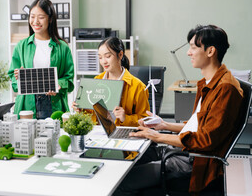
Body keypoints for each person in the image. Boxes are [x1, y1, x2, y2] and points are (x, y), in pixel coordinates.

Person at [114, 25, 244, 195]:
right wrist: (163, 125)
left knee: (120, 181)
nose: (189, 52)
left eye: (193, 47)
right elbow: (197, 127)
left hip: (195, 165)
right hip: (186, 154)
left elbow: (204, 140)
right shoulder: (210, 82)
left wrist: (157, 136)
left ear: (210, 51)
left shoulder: (225, 88)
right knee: (125, 159)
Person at [8, 0, 74, 119]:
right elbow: (13, 77)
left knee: (56, 136)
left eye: (41, 17)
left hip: (54, 104)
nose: (35, 21)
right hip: (27, 105)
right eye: (32, 17)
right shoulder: (21, 46)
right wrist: (18, 78)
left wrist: (58, 84)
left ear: (50, 19)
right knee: (25, 135)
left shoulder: (62, 47)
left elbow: (69, 80)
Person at [73, 37, 150, 126]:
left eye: (108, 56)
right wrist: (81, 110)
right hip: (98, 133)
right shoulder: (96, 81)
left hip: (124, 134)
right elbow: (92, 117)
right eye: (100, 57)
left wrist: (125, 118)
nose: (103, 62)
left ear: (120, 55)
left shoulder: (138, 86)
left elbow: (146, 120)